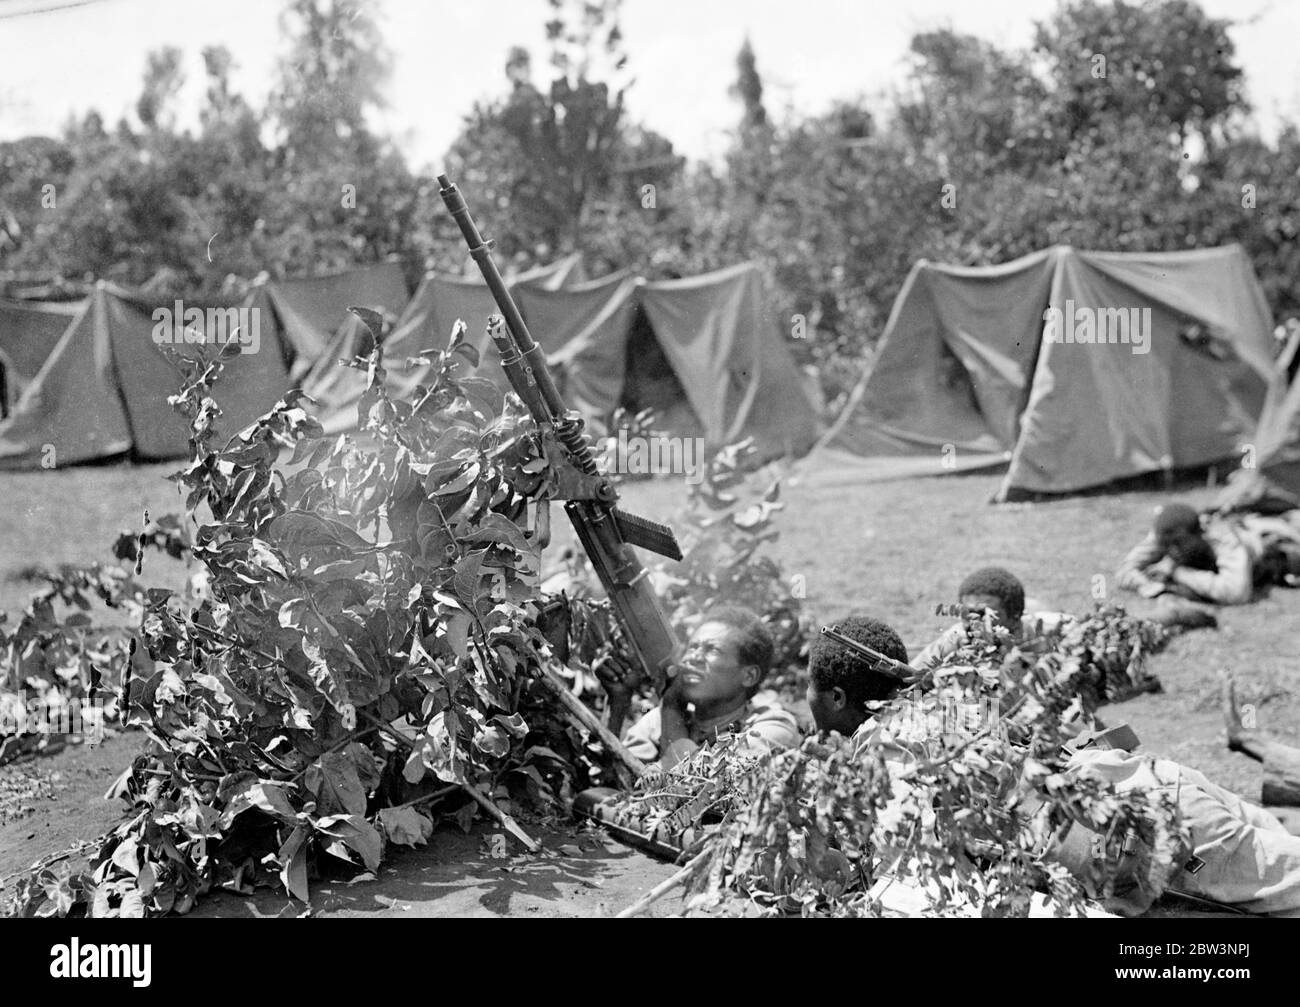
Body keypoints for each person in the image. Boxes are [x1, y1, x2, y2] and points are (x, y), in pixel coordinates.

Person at [620, 605, 799, 770]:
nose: (693, 657)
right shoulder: (655, 722)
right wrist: (618, 700)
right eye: (692, 648)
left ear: (749, 676)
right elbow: (615, 783)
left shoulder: (772, 728)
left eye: (713, 650)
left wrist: (672, 707)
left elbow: (697, 791)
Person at [1115, 500, 1300, 605]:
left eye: (1179, 544)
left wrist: (1178, 572)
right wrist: (1151, 587)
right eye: (1167, 545)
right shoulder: (1165, 533)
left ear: (1199, 533)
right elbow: (1125, 570)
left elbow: (1236, 593)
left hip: (1270, 544)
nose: (1173, 550)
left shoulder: (1222, 538)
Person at [913, 567, 1070, 669]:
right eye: (967, 613)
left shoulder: (1055, 631)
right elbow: (910, 677)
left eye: (984, 615)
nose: (973, 623)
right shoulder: (956, 639)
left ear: (1015, 615)